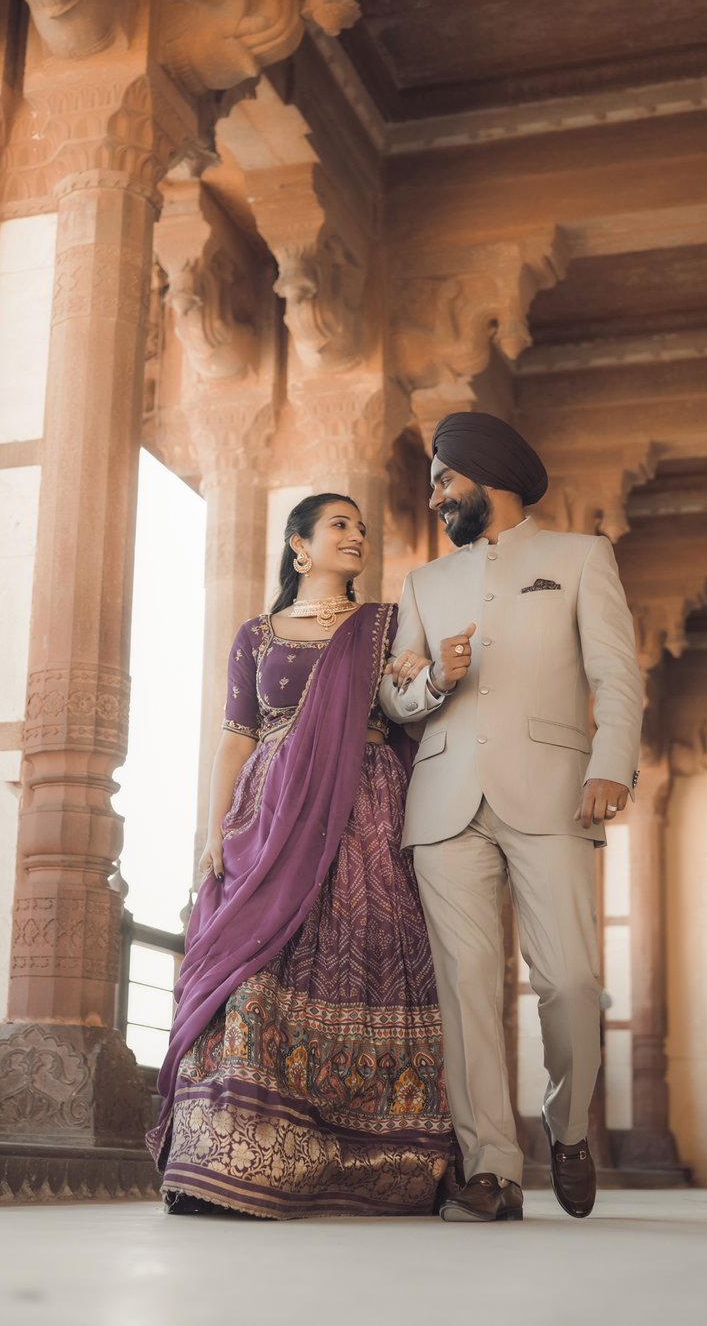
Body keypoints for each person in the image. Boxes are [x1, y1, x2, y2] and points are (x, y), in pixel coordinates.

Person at [147, 492, 456, 1219]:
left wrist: (414, 669)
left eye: (361, 526)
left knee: (368, 963)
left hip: (363, 812)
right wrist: (213, 829)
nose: (357, 536)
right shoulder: (256, 635)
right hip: (270, 816)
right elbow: (236, 736)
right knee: (253, 970)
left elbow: (411, 702)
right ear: (300, 547)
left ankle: (379, 1163)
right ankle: (227, 1155)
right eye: (340, 525)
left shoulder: (384, 624)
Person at [379, 411, 643, 1223]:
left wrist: (609, 765)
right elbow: (394, 691)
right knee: (465, 989)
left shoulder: (580, 557)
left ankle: (567, 1129)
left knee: (569, 981)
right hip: (446, 803)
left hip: (557, 792)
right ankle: (491, 1164)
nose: (433, 498)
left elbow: (618, 675)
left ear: (483, 475)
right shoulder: (422, 584)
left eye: (442, 480)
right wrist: (433, 681)